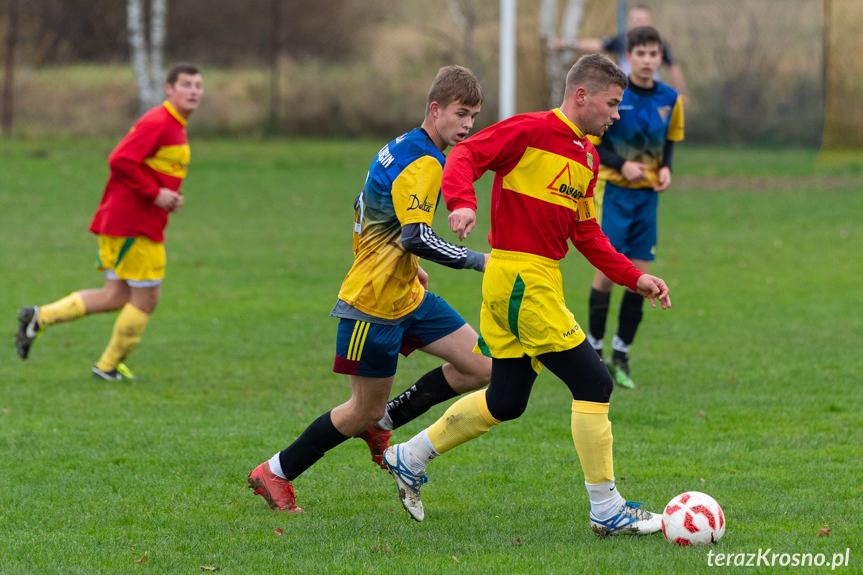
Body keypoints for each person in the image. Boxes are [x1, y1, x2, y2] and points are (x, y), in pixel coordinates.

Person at [381, 53, 672, 537]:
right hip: (520, 278)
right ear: (582, 96)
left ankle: (408, 456)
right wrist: (462, 203)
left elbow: (586, 233)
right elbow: (465, 154)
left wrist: (632, 277)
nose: (616, 114)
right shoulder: (531, 130)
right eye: (612, 104)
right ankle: (607, 509)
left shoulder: (588, 156)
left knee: (507, 398)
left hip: (532, 278)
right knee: (595, 383)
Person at [247, 65, 492, 513]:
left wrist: (408, 267)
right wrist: (481, 262)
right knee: (359, 411)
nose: (467, 125)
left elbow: (372, 216)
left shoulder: (400, 146)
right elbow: (415, 235)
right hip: (373, 306)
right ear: (435, 109)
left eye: (474, 116)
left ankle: (385, 423)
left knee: (481, 367)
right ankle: (276, 472)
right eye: (460, 113)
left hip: (407, 295)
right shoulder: (424, 162)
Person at [15, 63, 203, 381]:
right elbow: (119, 160)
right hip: (133, 226)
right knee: (147, 298)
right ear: (169, 89)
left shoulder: (174, 125)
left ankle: (39, 317)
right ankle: (107, 366)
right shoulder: (160, 121)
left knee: (115, 296)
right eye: (186, 85)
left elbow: (155, 168)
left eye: (198, 85)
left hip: (126, 222)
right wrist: (155, 193)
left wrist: (170, 195)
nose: (194, 91)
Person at [586, 26, 684, 389]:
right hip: (615, 193)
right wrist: (622, 164)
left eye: (653, 54)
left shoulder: (670, 99)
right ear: (628, 56)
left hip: (647, 199)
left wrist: (668, 169)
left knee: (641, 278)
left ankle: (620, 354)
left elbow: (669, 142)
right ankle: (593, 352)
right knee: (609, 274)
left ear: (660, 58)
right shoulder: (614, 95)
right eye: (639, 53)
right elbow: (594, 141)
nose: (646, 60)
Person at [551, 3, 687, 96]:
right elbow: (598, 44)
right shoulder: (622, 40)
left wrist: (680, 91)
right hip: (626, 92)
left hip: (649, 95)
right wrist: (568, 44)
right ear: (628, 55)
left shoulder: (659, 43)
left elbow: (673, 66)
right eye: (635, 19)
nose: (646, 60)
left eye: (642, 19)